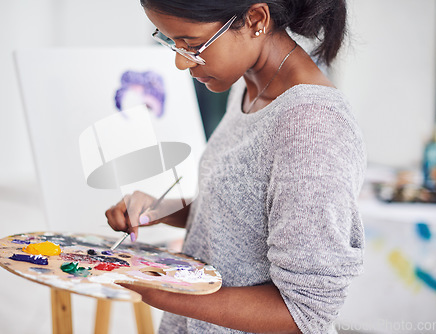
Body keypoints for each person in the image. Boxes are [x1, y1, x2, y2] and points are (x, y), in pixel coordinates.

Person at [105, 1, 366, 333]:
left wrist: (161, 290)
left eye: (194, 45)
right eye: (172, 42)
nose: (180, 61)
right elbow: (249, 220)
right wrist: (160, 209)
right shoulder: (248, 89)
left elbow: (304, 313)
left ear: (256, 19)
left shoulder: (311, 125)